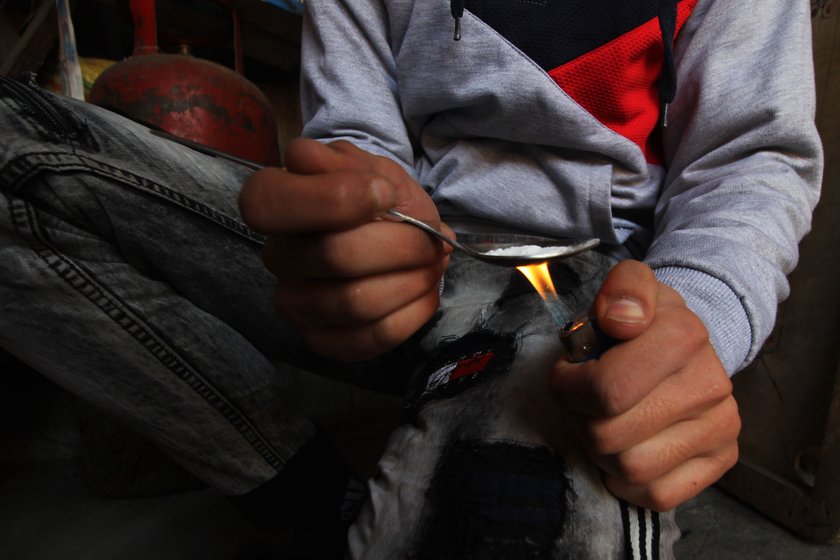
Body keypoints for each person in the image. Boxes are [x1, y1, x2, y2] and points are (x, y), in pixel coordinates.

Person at [0, 0, 822, 558]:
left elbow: (748, 154)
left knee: (521, 517)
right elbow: (356, 127)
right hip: (412, 242)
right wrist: (359, 212)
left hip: (586, 276)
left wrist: (692, 327)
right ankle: (303, 495)